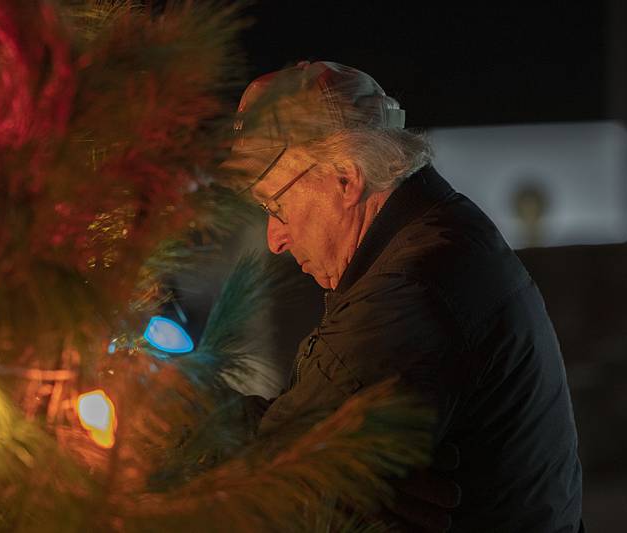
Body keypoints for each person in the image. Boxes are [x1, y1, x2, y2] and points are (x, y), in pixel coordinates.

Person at [225, 61, 583, 532]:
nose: (275, 238)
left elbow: (278, 475)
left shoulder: (410, 290)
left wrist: (157, 420)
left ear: (346, 180)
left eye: (276, 205)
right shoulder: (442, 234)